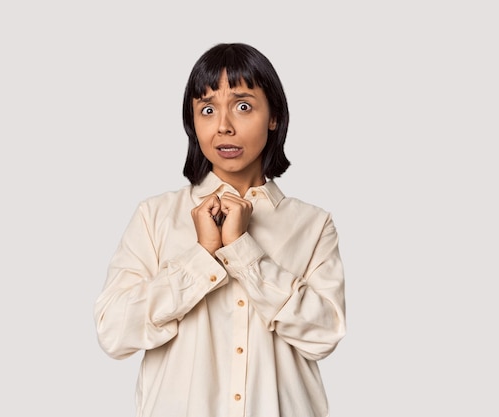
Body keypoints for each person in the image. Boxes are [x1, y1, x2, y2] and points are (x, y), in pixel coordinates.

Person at [94, 42, 346, 417]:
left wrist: (243, 252)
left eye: (243, 106)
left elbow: (324, 335)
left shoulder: (312, 225)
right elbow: (113, 333)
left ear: (273, 116)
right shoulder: (155, 216)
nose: (224, 126)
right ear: (193, 123)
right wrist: (200, 259)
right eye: (207, 110)